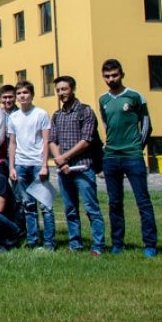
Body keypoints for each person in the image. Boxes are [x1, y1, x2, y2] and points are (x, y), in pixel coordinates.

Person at [99, 59, 158, 257]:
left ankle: (149, 245)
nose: (111, 79)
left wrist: (136, 148)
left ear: (122, 74)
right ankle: (117, 243)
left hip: (133, 157)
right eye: (107, 76)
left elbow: (147, 126)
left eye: (114, 75)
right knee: (115, 202)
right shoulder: (103, 100)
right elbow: (107, 125)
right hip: (111, 157)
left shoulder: (134, 96)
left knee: (143, 201)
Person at [50, 75, 106, 255]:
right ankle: (75, 244)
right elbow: (52, 140)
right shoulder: (57, 115)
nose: (61, 93)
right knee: (70, 209)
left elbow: (87, 141)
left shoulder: (85, 112)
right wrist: (59, 160)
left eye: (64, 89)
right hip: (64, 171)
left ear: (72, 89)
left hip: (83, 168)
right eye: (58, 90)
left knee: (92, 209)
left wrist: (64, 158)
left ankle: (98, 245)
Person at [8, 80, 55, 250]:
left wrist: (44, 165)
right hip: (21, 164)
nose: (22, 96)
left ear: (32, 94)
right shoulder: (13, 117)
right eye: (19, 93)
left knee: (45, 205)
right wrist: (12, 167)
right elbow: (12, 143)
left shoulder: (41, 114)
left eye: (25, 93)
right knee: (28, 205)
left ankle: (49, 242)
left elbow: (46, 140)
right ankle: (32, 239)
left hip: (37, 164)